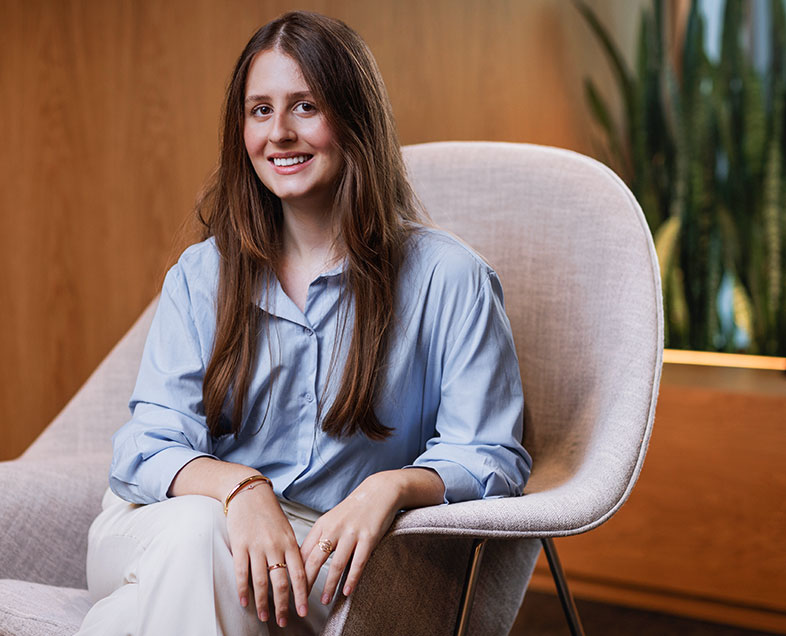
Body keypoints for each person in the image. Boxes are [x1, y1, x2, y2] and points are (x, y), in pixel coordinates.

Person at [77, 10, 531, 636]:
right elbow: (145, 447)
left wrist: (388, 489)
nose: (280, 133)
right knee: (199, 532)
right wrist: (242, 491)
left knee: (127, 620)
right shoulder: (201, 276)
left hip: (316, 556)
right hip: (159, 523)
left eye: (306, 107)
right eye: (259, 110)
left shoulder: (449, 279)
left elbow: (491, 455)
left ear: (354, 118)